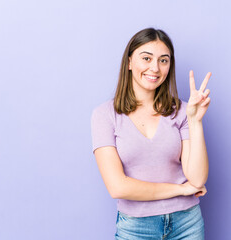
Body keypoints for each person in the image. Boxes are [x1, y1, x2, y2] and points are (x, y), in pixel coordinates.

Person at [91, 28, 211, 240]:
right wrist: (181, 190)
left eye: (163, 60)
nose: (155, 68)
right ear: (129, 63)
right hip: (136, 228)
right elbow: (117, 187)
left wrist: (195, 120)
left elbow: (197, 178)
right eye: (146, 58)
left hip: (187, 223)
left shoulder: (183, 111)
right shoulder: (104, 115)